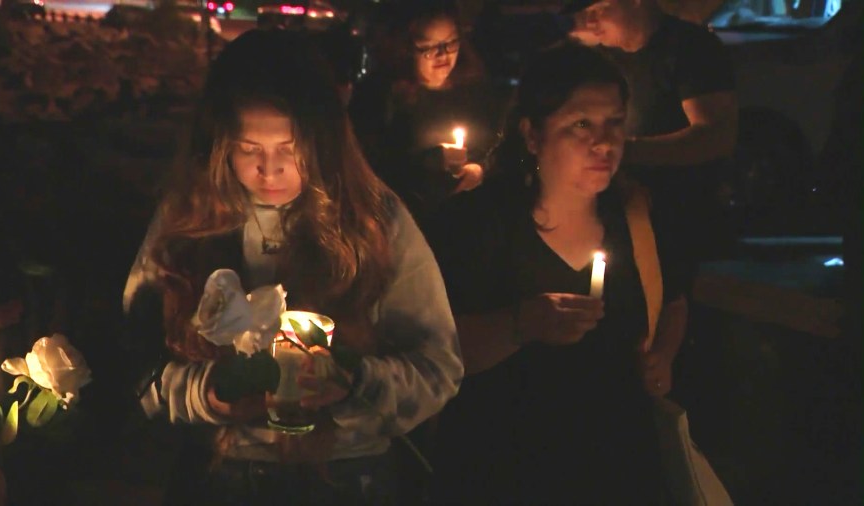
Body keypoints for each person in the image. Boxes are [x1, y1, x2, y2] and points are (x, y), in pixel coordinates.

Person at [122, 29, 463, 505]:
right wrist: (211, 394)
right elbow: (138, 366)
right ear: (219, 143)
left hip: (347, 476)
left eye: (290, 146)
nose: (270, 169)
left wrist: (352, 384)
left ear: (323, 136)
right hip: (222, 476)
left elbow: (437, 367)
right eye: (248, 148)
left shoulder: (373, 221)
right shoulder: (189, 221)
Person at [429, 42, 687, 504]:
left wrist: (662, 356)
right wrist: (522, 324)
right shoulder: (475, 223)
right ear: (532, 134)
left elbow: (674, 299)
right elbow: (432, 350)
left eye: (614, 122)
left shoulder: (638, 217)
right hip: (500, 470)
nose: (605, 143)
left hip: (616, 467)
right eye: (581, 124)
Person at [567, 0, 738, 292]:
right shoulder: (598, 57)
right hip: (615, 212)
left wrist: (623, 151)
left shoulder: (691, 49)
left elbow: (715, 136)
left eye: (599, 9)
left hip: (677, 214)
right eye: (583, 14)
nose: (589, 22)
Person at [348, 0, 504, 227]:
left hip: (467, 222)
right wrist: (426, 164)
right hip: (403, 223)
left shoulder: (474, 91)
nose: (443, 54)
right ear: (405, 49)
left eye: (451, 42)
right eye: (429, 47)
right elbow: (361, 164)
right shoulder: (379, 96)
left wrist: (480, 169)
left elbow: (500, 145)